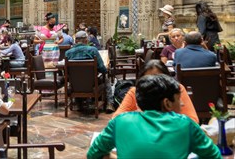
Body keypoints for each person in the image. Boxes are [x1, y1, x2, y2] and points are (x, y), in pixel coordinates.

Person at [88, 74, 220, 159]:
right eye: (179, 99)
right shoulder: (185, 124)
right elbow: (214, 156)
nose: (182, 103)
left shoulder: (120, 121)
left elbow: (93, 154)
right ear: (167, 103)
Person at [113, 59, 198, 123]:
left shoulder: (176, 90)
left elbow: (193, 120)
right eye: (148, 80)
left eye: (159, 78)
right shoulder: (135, 92)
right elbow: (116, 120)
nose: (153, 84)